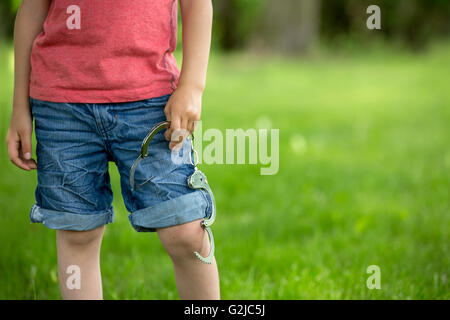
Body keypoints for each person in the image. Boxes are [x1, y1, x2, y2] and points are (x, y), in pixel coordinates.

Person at [5, 0, 219, 300]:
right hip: (61, 106)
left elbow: (197, 4)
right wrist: (20, 107)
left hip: (150, 102)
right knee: (77, 233)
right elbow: (32, 8)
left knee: (184, 229)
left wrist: (193, 86)